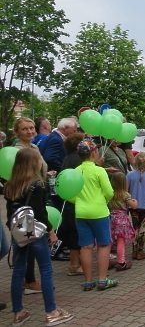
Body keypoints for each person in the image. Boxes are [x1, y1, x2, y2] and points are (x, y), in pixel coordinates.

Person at [4, 148, 74, 326]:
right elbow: (40, 214)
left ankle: (18, 312)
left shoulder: (10, 184)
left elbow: (10, 212)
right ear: (34, 162)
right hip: (36, 232)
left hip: (19, 232)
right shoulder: (37, 184)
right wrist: (50, 231)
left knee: (18, 271)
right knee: (45, 269)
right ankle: (52, 312)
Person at [71, 140, 117, 291]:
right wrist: (103, 200)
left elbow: (70, 193)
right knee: (104, 245)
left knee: (85, 246)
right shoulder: (99, 171)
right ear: (93, 153)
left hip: (81, 212)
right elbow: (109, 192)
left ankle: (88, 281)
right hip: (99, 212)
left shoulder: (75, 171)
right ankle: (102, 279)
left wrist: (78, 202)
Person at [13, 117, 49, 295]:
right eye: (24, 129)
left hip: (37, 195)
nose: (29, 131)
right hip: (25, 200)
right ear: (17, 132)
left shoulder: (34, 147)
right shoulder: (16, 151)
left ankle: (29, 280)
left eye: (31, 128)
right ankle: (28, 280)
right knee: (26, 242)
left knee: (33, 240)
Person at [54, 132, 86, 274]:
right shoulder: (78, 160)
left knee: (73, 232)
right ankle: (74, 265)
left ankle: (76, 263)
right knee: (75, 233)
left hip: (67, 200)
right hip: (74, 201)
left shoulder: (67, 158)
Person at [126, 152, 145, 260]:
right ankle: (140, 251)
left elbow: (126, 191)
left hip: (133, 205)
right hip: (144, 205)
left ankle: (134, 251)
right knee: (143, 228)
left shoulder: (129, 175)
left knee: (135, 228)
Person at [108, 172, 138, 270]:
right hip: (121, 219)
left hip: (110, 218)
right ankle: (121, 262)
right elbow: (133, 206)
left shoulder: (109, 193)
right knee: (121, 240)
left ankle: (106, 261)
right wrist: (135, 202)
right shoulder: (125, 194)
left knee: (109, 241)